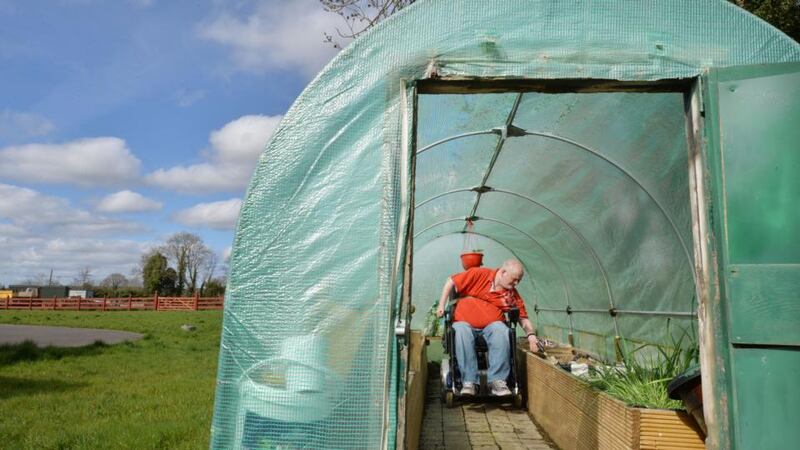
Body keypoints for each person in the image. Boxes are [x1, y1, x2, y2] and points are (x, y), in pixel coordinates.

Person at [435, 258, 540, 396]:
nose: (516, 284)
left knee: (502, 330)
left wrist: (531, 336)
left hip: (492, 326)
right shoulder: (479, 274)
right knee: (460, 330)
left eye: (518, 281)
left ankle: (497, 382)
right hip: (464, 323)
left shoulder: (511, 295)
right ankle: (469, 382)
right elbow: (451, 281)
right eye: (514, 279)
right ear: (503, 272)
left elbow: (523, 319)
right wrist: (441, 305)